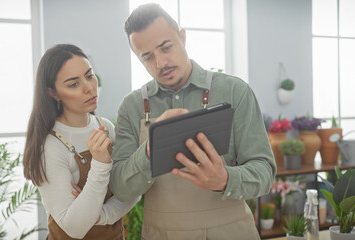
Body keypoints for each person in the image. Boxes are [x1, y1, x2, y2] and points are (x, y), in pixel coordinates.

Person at [110, 4, 276, 240]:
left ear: (183, 37)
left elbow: (264, 171)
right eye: (147, 57)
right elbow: (121, 187)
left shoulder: (234, 91)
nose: (161, 63)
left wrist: (225, 179)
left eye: (166, 47)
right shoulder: (132, 106)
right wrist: (150, 151)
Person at [23, 44, 139, 240]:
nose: (89, 87)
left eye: (89, 75)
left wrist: (102, 215)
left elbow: (133, 189)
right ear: (53, 93)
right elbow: (75, 227)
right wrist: (101, 165)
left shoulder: (106, 127)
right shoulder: (50, 146)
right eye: (73, 84)